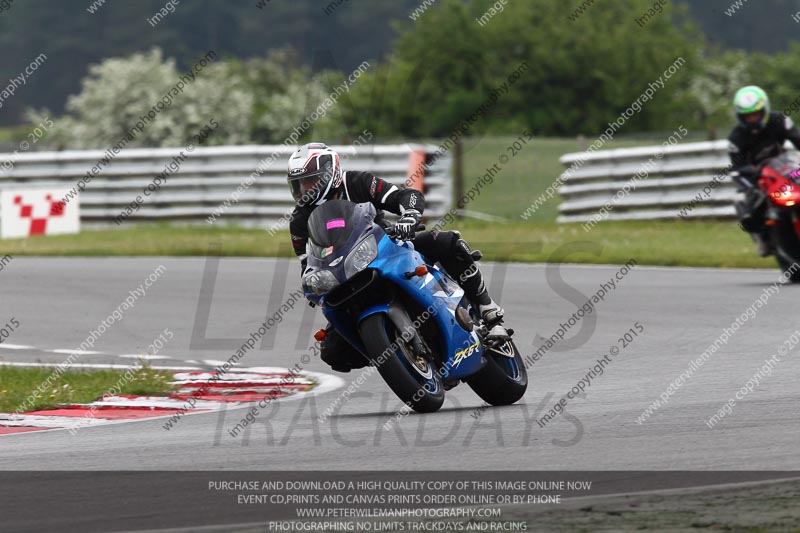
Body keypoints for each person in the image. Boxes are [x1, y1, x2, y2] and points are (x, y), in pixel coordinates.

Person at [287, 142, 509, 372]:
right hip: (344, 276)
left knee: (447, 242)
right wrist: (313, 285)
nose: (304, 189)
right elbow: (307, 264)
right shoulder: (299, 220)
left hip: (387, 248)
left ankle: (488, 310)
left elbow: (405, 196)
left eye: (310, 181)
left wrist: (409, 216)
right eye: (298, 184)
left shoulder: (355, 182)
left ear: (329, 173)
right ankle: (395, 356)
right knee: (332, 351)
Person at [728, 85, 800, 255]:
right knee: (746, 204)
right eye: (748, 116)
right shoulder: (736, 138)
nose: (752, 119)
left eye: (756, 114)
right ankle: (760, 237)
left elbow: (797, 139)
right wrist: (750, 177)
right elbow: (737, 168)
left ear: (764, 110)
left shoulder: (779, 120)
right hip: (757, 177)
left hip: (787, 169)